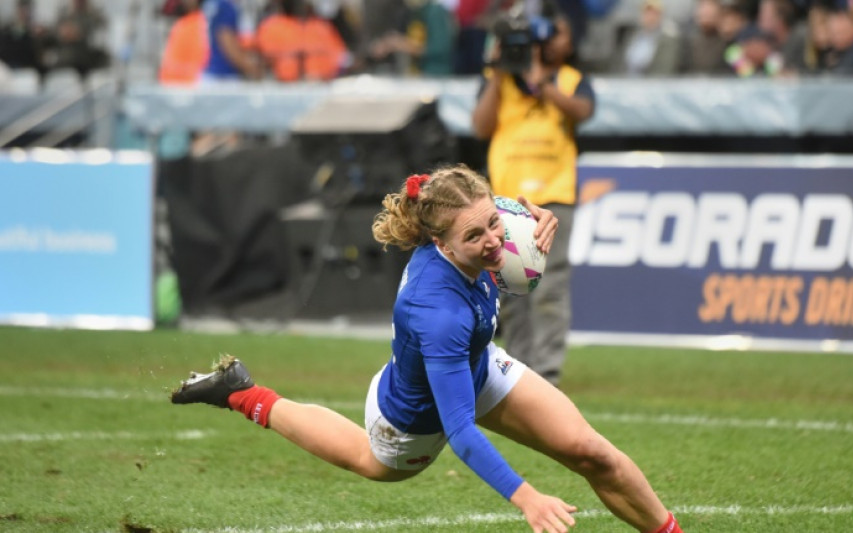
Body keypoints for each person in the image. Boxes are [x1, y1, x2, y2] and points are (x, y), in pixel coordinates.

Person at [171, 165, 683, 533]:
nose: (493, 241)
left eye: (495, 223)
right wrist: (527, 498)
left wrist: (533, 225)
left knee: (593, 453)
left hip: (475, 364)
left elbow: (496, 227)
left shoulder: (470, 220)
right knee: (369, 461)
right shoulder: (439, 312)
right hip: (412, 416)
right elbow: (460, 432)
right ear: (442, 244)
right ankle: (243, 393)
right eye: (475, 236)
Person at [471, 12, 593, 387]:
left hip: (555, 195)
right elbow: (480, 127)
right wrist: (498, 73)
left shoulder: (569, 79)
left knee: (549, 288)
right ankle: (518, 371)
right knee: (509, 287)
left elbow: (584, 112)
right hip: (507, 201)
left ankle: (547, 373)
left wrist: (544, 85)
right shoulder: (498, 81)